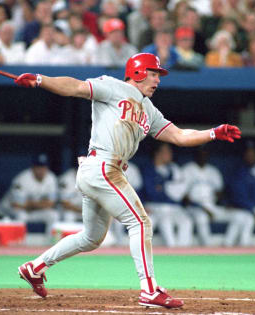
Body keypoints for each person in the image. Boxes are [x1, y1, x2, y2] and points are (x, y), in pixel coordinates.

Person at [13, 52, 241, 308]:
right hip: (103, 166)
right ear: (138, 72)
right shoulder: (112, 86)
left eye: (158, 75)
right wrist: (41, 80)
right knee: (141, 222)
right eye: (153, 74)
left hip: (104, 170)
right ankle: (149, 289)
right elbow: (75, 87)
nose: (157, 80)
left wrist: (212, 133)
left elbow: (178, 136)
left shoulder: (148, 109)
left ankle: (35, 267)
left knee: (92, 237)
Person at [182, 146, 255, 246]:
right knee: (201, 218)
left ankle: (227, 245)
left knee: (241, 216)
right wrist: (202, 208)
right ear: (195, 154)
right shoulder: (187, 170)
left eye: (205, 153)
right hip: (194, 208)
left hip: (212, 206)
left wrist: (226, 203)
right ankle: (208, 249)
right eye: (200, 153)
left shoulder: (213, 171)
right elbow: (184, 196)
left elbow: (220, 193)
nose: (203, 156)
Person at [141, 143, 194, 247]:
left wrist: (163, 188)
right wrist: (167, 188)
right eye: (167, 152)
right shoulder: (148, 169)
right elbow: (152, 193)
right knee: (166, 222)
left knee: (187, 222)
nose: (170, 154)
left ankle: (183, 252)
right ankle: (172, 250)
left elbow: (181, 192)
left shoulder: (173, 169)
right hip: (155, 207)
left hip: (174, 207)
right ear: (158, 154)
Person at [1, 153, 60, 239]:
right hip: (11, 209)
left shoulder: (51, 178)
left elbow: (51, 204)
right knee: (21, 216)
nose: (41, 170)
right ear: (33, 168)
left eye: (43, 167)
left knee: (53, 215)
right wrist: (42, 203)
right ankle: (19, 242)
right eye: (38, 167)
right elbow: (17, 204)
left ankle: (50, 243)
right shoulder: (22, 179)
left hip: (32, 210)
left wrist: (30, 204)